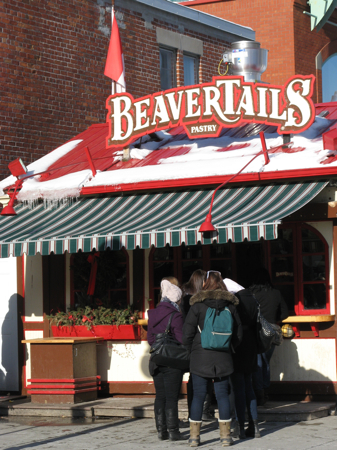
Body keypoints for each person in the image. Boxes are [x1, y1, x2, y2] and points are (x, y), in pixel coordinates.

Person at [183, 271, 242, 447]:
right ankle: (225, 437)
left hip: (200, 358)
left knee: (199, 396)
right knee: (223, 395)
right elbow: (238, 335)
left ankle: (194, 438)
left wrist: (192, 351)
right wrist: (229, 348)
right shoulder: (231, 306)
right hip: (223, 358)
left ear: (205, 285)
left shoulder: (197, 306)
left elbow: (186, 334)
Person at [147, 279, 187, 441]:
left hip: (156, 359)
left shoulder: (153, 314)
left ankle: (161, 430)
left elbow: (150, 339)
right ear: (176, 299)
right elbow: (182, 339)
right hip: (172, 360)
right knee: (171, 397)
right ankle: (173, 431)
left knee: (160, 396)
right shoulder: (176, 315)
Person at [249, 267, 289, 405]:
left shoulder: (251, 294)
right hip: (272, 331)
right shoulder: (276, 293)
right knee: (266, 363)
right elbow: (285, 314)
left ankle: (259, 393)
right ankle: (265, 392)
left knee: (258, 363)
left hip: (257, 331)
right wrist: (272, 319)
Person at [181, 270, 214, 422]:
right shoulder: (197, 301)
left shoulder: (183, 298)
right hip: (201, 342)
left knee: (194, 378)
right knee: (203, 378)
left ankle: (193, 412)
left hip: (190, 343)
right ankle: (204, 411)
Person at [230, 283, 260, 439]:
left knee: (238, 389)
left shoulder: (234, 302)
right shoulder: (253, 299)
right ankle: (254, 425)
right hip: (252, 345)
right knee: (249, 387)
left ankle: (240, 426)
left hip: (238, 345)